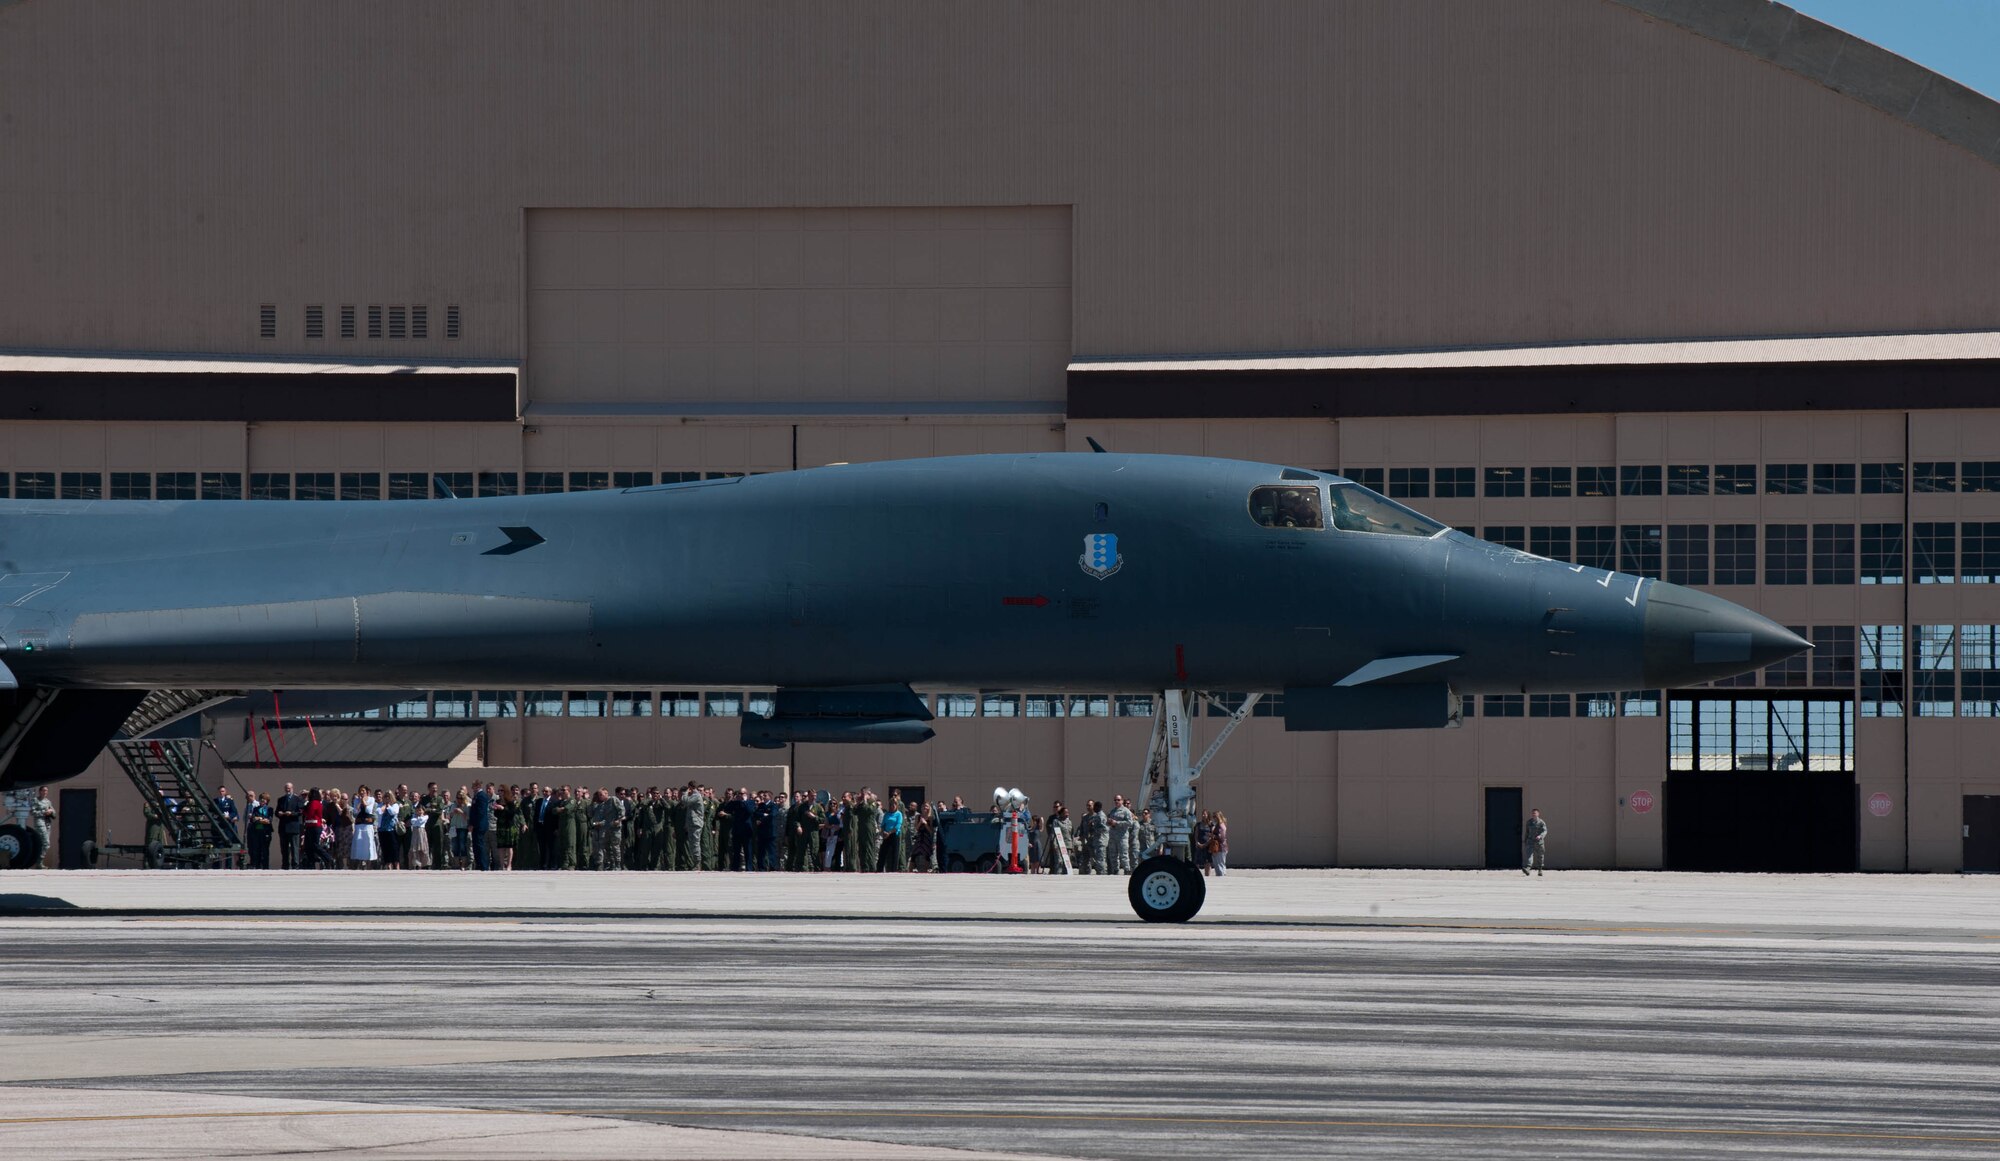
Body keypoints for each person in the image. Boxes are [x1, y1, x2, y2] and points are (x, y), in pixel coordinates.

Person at [275, 782, 304, 870]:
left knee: (294, 847)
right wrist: (279, 813)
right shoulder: (281, 799)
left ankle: (295, 865)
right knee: (284, 848)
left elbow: (300, 812)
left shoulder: (298, 799)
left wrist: (291, 813)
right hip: (283, 827)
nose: (288, 790)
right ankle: (285, 865)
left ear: (292, 788)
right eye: (286, 788)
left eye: (289, 788)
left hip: (293, 827)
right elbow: (276, 812)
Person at [350, 787, 379, 868]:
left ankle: (369, 863)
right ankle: (360, 863)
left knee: (368, 843)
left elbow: (368, 810)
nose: (362, 792)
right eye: (360, 791)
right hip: (359, 825)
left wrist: (363, 801)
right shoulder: (356, 800)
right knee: (359, 843)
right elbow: (356, 812)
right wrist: (360, 802)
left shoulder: (371, 799)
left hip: (368, 825)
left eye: (363, 790)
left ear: (366, 792)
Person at [1108, 794, 1137, 875]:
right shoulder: (1113, 811)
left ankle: (1127, 871)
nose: (1116, 801)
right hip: (1113, 836)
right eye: (1115, 800)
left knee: (1123, 855)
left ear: (1122, 801)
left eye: (1118, 800)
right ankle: (1115, 870)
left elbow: (1130, 823)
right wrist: (1109, 822)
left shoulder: (1126, 811)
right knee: (1113, 855)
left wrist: (1117, 823)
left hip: (1122, 837)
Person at [469, 780, 493, 871]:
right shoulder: (477, 796)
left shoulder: (482, 796)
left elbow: (480, 812)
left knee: (480, 845)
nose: (472, 788)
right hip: (476, 825)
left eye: (473, 786)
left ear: (477, 786)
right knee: (476, 845)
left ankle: (483, 865)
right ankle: (479, 864)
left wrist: (473, 824)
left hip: (480, 825)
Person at [246, 793, 274, 869]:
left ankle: (265, 867)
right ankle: (257, 866)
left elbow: (269, 821)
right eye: (261, 799)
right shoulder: (256, 809)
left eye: (264, 799)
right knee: (257, 850)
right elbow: (253, 820)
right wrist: (262, 819)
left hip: (266, 832)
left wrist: (259, 818)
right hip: (257, 831)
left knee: (265, 851)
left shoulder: (270, 809)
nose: (262, 800)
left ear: (267, 801)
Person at [877, 798, 904, 872]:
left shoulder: (899, 814)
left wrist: (889, 833)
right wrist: (884, 832)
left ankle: (894, 870)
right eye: (891, 804)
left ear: (896, 805)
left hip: (894, 834)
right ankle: (879, 869)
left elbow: (898, 825)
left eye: (894, 804)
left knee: (894, 853)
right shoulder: (887, 814)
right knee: (883, 852)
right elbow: (883, 825)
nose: (892, 806)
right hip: (886, 835)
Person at [30, 786, 54, 868]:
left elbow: (53, 811)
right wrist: (44, 812)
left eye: (46, 791)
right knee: (46, 842)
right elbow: (32, 812)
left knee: (45, 844)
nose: (45, 792)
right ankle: (39, 862)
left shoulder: (48, 801)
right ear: (40, 791)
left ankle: (39, 863)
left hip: (47, 822)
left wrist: (51, 811)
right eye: (43, 790)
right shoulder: (35, 800)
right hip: (40, 822)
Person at [1523, 808, 1548, 876]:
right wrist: (1525, 840)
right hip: (1530, 841)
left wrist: (1540, 836)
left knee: (1540, 856)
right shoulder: (1529, 822)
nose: (1533, 814)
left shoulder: (1541, 822)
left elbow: (1545, 831)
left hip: (1539, 842)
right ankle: (1528, 869)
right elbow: (1527, 832)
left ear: (1538, 814)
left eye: (1535, 813)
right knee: (1529, 855)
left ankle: (1540, 870)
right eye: (1532, 813)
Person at [1209, 811, 1229, 876]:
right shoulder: (1217, 825)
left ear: (1218, 817)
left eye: (1215, 816)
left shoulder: (1221, 825)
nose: (1213, 818)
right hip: (1218, 848)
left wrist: (1213, 836)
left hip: (1221, 848)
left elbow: (1222, 837)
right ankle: (1221, 877)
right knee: (1218, 864)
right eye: (1213, 816)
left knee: (1220, 865)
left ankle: (1222, 878)